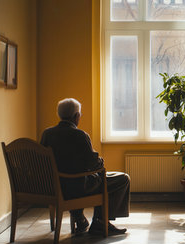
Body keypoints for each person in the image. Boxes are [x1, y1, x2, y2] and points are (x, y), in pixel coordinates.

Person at [40, 98, 130, 235]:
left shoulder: (47, 133)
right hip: (78, 187)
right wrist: (100, 161)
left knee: (81, 177)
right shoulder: (80, 135)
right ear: (76, 116)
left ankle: (79, 217)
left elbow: (43, 160)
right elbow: (93, 164)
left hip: (55, 186)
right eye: (80, 115)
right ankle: (101, 221)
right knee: (122, 179)